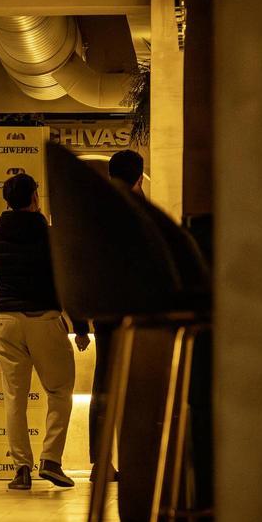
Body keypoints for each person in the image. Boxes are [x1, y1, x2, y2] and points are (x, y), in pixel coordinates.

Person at [0, 172, 89, 490]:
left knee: (14, 396)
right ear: (34, 197)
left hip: (6, 318)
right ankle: (51, 461)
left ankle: (21, 469)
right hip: (43, 317)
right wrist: (81, 326)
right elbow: (65, 281)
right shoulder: (50, 235)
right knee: (58, 391)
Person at [88, 149, 147, 479]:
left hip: (103, 311)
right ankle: (135, 459)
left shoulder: (93, 209)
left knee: (102, 388)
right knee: (136, 388)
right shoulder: (139, 211)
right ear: (139, 178)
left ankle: (100, 461)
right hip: (134, 311)